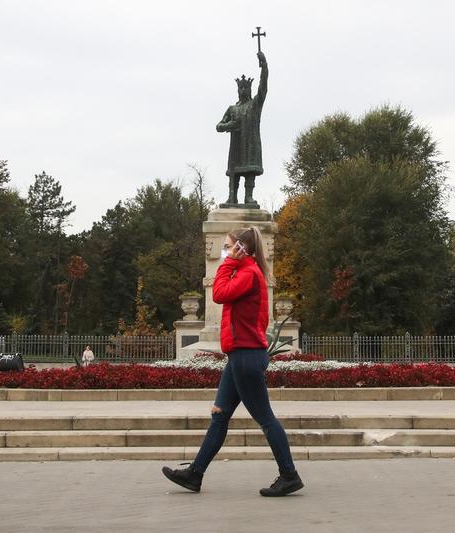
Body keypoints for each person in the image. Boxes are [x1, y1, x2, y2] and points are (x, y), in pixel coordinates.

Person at [162, 226, 303, 497]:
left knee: (265, 418)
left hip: (246, 356)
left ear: (242, 249)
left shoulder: (249, 274)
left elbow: (219, 294)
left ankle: (289, 475)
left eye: (228, 247)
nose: (224, 252)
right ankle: (195, 474)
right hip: (239, 355)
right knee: (220, 416)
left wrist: (227, 262)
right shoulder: (248, 273)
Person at [217, 51, 268, 206]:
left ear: (250, 90)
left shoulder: (255, 105)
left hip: (250, 144)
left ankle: (248, 197)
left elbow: (263, 87)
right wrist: (228, 125)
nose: (243, 91)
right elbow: (218, 126)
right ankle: (232, 197)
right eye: (241, 89)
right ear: (238, 90)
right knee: (235, 173)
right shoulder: (232, 108)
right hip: (236, 146)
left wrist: (264, 66)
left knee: (249, 171)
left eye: (246, 89)